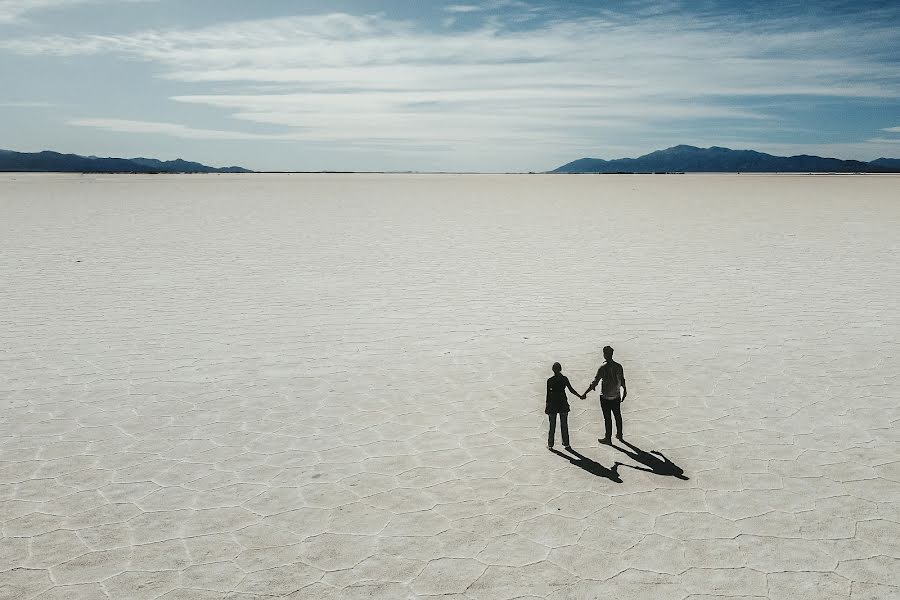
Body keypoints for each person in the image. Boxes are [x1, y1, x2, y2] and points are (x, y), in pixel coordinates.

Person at [585, 346, 627, 444]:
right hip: (616, 395)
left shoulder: (602, 368)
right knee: (618, 416)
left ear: (605, 354)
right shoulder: (619, 366)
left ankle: (608, 438)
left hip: (605, 397)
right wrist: (625, 390)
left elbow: (594, 382)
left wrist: (584, 393)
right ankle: (619, 434)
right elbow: (622, 380)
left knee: (607, 418)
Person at [546, 362, 585, 449]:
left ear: (553, 370)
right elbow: (571, 390)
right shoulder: (564, 379)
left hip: (553, 404)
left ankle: (550, 444)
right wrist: (580, 396)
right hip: (563, 403)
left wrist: (547, 406)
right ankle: (566, 443)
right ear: (560, 369)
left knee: (552, 425)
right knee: (564, 424)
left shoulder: (550, 380)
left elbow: (548, 395)